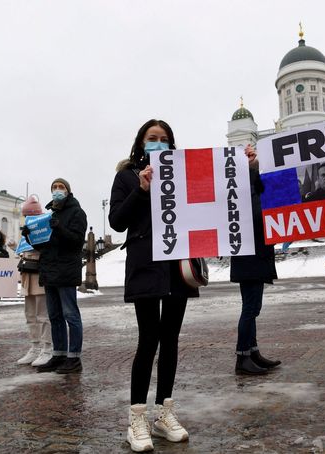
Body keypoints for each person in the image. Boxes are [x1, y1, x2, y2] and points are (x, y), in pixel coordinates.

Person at [109, 119, 194, 452]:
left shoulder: (181, 175)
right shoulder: (127, 176)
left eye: (164, 139)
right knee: (149, 339)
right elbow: (117, 221)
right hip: (146, 265)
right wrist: (140, 189)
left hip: (176, 264)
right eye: (152, 138)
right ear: (141, 143)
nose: (158, 143)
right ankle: (137, 419)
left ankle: (164, 413)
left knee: (170, 337)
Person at [23, 178, 87, 374]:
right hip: (49, 271)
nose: (57, 190)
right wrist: (29, 236)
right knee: (55, 316)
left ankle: (74, 358)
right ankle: (58, 355)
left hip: (66, 271)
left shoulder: (77, 212)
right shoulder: (50, 214)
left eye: (61, 187)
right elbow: (44, 246)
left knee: (71, 315)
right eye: (54, 188)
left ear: (68, 190)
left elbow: (76, 241)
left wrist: (59, 227)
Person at [231, 144, 280, 376]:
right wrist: (252, 171)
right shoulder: (242, 185)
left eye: (253, 154)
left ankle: (252, 351)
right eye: (246, 155)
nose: (252, 158)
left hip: (257, 251)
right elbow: (255, 212)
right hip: (248, 253)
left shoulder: (255, 181)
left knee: (254, 306)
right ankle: (242, 357)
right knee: (250, 307)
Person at [16, 195, 52, 367]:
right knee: (30, 315)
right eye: (25, 215)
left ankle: (47, 348)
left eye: (29, 215)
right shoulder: (26, 230)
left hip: (39, 276)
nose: (26, 218)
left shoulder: (44, 228)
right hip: (27, 278)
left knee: (43, 316)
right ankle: (34, 347)